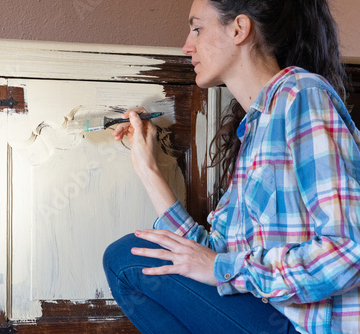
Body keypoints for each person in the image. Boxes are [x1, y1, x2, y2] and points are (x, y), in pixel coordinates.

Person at [102, 0, 360, 333]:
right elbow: (207, 258)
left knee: (127, 258)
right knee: (132, 260)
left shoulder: (301, 97)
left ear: (239, 29)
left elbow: (350, 249)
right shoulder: (256, 130)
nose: (186, 45)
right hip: (268, 314)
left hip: (306, 326)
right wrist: (147, 168)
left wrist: (224, 268)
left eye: (197, 28)